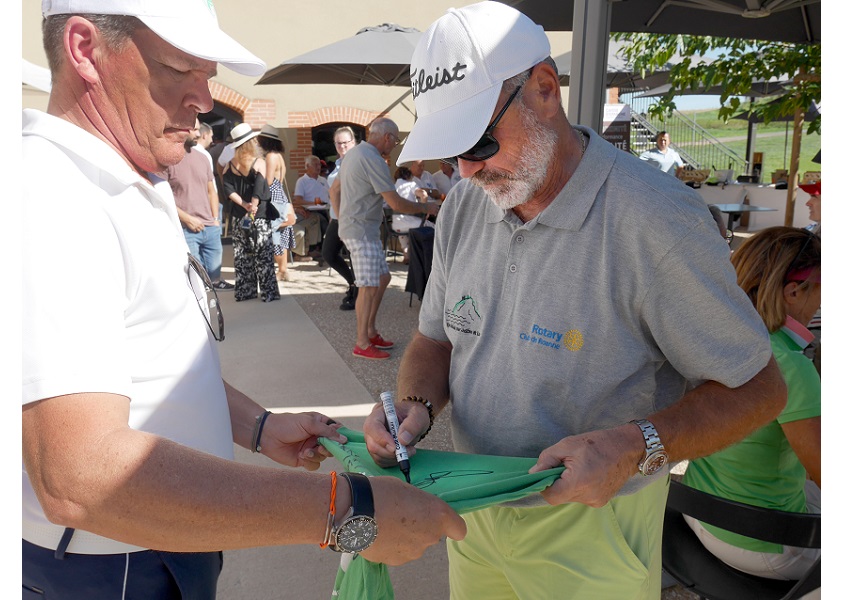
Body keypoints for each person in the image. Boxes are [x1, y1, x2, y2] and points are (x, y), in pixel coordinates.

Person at [22, 3, 465, 597]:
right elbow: (79, 475)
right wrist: (344, 510)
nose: (204, 99)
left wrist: (257, 426)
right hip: (112, 561)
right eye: (180, 69)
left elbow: (148, 362)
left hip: (157, 541)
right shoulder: (53, 194)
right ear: (84, 50)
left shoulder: (122, 176)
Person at [361, 3, 786, 598]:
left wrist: (635, 446)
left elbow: (760, 388)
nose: (466, 169)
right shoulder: (464, 204)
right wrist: (413, 406)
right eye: (449, 152)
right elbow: (435, 339)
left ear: (543, 90)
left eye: (480, 142)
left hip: (595, 522)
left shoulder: (659, 221)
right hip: (474, 507)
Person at [683, 226, 821, 581]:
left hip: (699, 513)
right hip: (761, 544)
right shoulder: (789, 366)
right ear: (793, 292)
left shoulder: (713, 339)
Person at [337, 117, 440, 360]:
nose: (395, 145)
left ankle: (370, 332)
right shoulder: (373, 159)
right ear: (387, 137)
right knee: (369, 285)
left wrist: (340, 217)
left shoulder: (354, 153)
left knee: (383, 277)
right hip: (361, 230)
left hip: (359, 228)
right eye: (395, 141)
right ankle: (362, 342)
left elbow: (335, 191)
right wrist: (427, 209)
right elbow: (395, 203)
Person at [166, 119, 234, 291]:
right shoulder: (168, 160)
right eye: (194, 129)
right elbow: (163, 198)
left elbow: (212, 191)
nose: (197, 133)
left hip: (210, 227)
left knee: (215, 279)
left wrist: (215, 220)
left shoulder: (203, 158)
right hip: (186, 229)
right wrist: (188, 219)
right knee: (195, 282)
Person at [221, 124, 280, 302]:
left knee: (242, 255)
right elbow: (260, 187)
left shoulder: (230, 165)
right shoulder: (258, 162)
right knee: (263, 254)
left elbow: (228, 189)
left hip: (239, 216)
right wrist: (253, 205)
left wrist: (244, 205)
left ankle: (245, 292)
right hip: (259, 216)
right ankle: (268, 293)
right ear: (250, 142)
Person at [325, 126, 359, 310]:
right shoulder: (339, 164)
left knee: (354, 257)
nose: (342, 146)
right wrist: (333, 217)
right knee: (328, 254)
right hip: (336, 217)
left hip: (350, 217)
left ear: (353, 142)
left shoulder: (355, 162)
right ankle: (353, 284)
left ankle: (358, 295)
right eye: (338, 143)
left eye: (345, 142)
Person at [257, 124, 297, 282]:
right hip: (280, 196)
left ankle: (282, 270)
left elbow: (268, 180)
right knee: (281, 233)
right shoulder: (278, 155)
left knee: (275, 234)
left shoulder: (271, 156)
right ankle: (283, 269)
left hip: (273, 197)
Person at [392, 165, 436, 264]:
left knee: (402, 225)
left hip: (397, 225)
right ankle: (431, 256)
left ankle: (406, 253)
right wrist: (424, 210)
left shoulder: (393, 187)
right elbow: (423, 194)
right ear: (409, 176)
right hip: (415, 224)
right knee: (435, 228)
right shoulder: (410, 184)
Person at [292, 155, 330, 263]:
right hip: (310, 210)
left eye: (319, 164)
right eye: (315, 164)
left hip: (326, 208)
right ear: (307, 166)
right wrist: (313, 203)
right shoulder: (302, 181)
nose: (318, 167)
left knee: (334, 222)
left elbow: (330, 194)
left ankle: (321, 249)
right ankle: (318, 249)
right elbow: (298, 200)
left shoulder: (323, 180)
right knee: (323, 223)